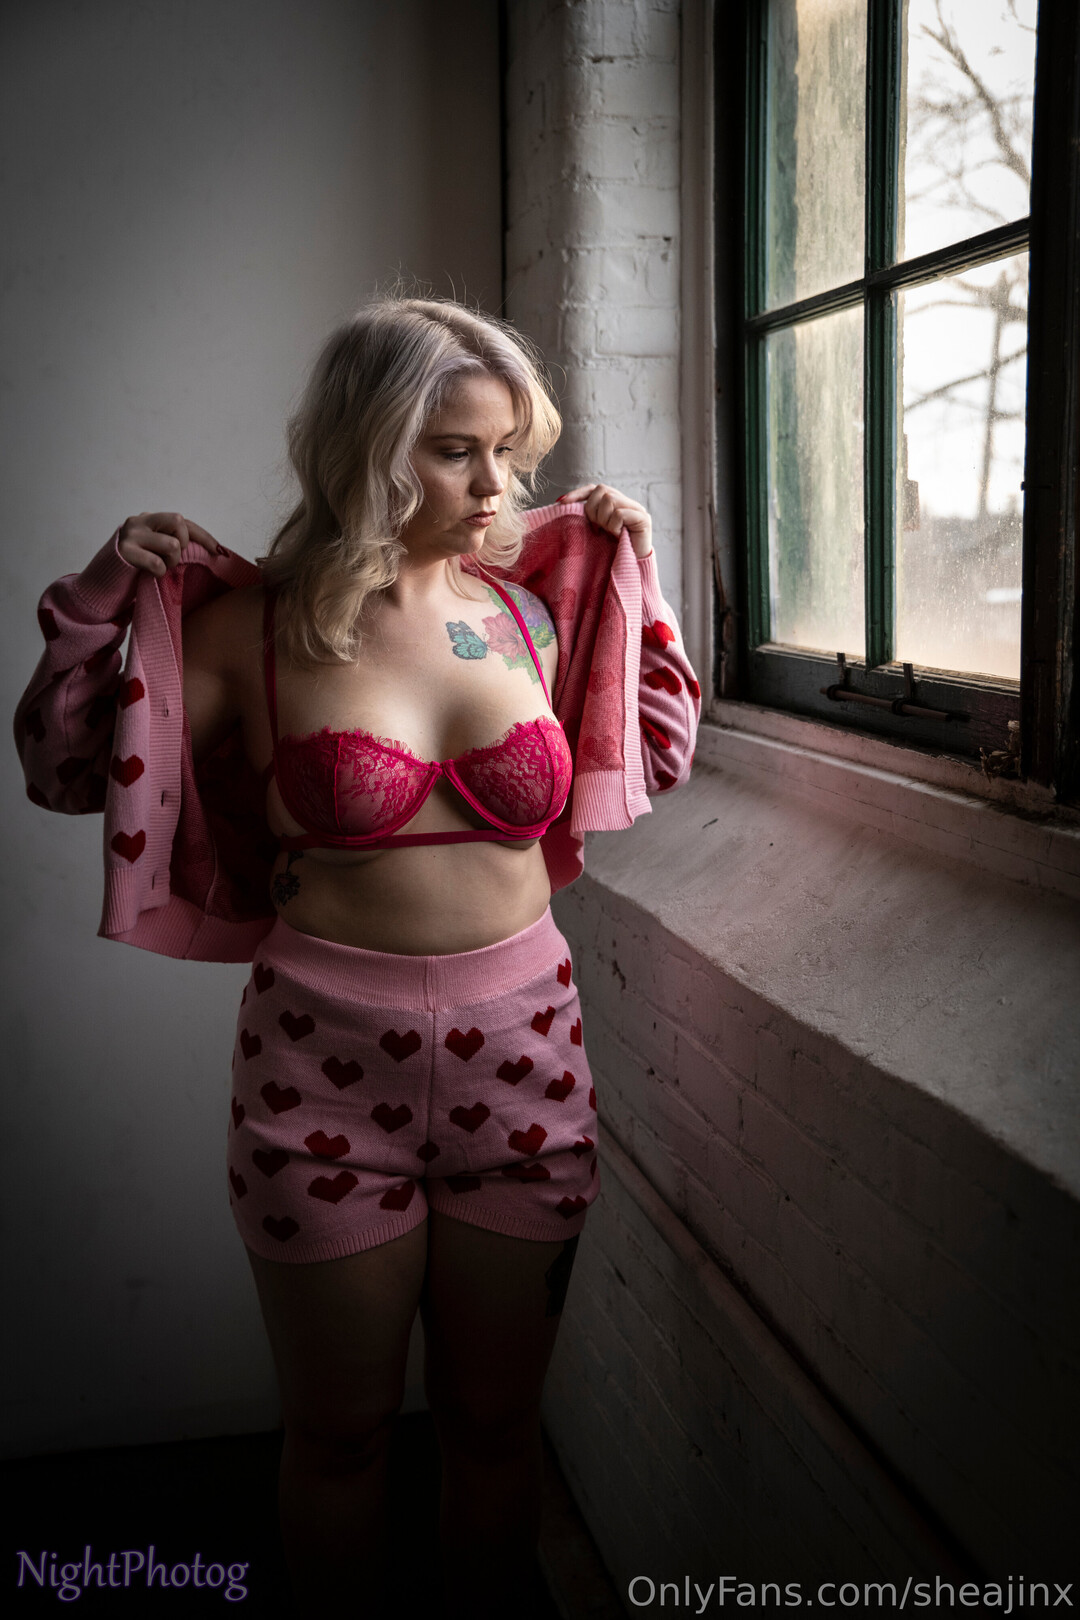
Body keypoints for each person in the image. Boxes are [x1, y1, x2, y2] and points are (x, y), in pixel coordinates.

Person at [14, 296, 700, 1617]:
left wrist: (641, 572)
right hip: (319, 1079)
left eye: (509, 452)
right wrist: (97, 601)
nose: (495, 485)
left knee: (496, 1430)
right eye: (456, 451)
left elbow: (656, 753)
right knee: (340, 1440)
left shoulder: (532, 617)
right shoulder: (245, 631)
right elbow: (61, 769)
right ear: (368, 448)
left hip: (526, 1061)